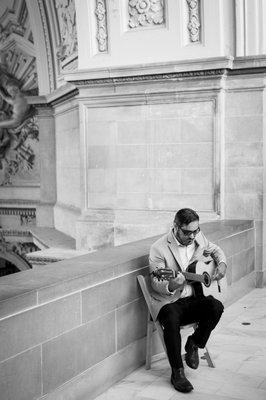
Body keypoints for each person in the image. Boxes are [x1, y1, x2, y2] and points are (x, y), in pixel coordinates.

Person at [149, 208, 227, 393]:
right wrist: (173, 284)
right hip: (170, 302)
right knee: (171, 318)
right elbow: (156, 282)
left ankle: (194, 343)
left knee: (216, 307)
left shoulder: (198, 237)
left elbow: (216, 250)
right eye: (187, 232)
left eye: (195, 231)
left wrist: (222, 264)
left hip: (194, 298)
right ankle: (177, 372)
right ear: (175, 227)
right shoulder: (158, 248)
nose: (192, 236)